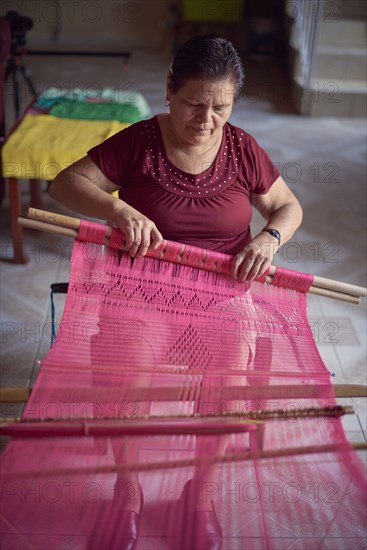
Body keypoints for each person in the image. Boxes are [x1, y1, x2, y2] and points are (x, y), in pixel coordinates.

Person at [49, 34, 303, 550]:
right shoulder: (139, 142)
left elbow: (287, 207)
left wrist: (268, 239)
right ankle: (127, 496)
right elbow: (64, 184)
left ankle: (201, 495)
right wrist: (118, 209)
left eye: (221, 107)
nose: (207, 119)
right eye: (195, 103)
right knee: (127, 371)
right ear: (169, 89)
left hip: (220, 295)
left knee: (231, 373)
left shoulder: (242, 149)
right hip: (143, 292)